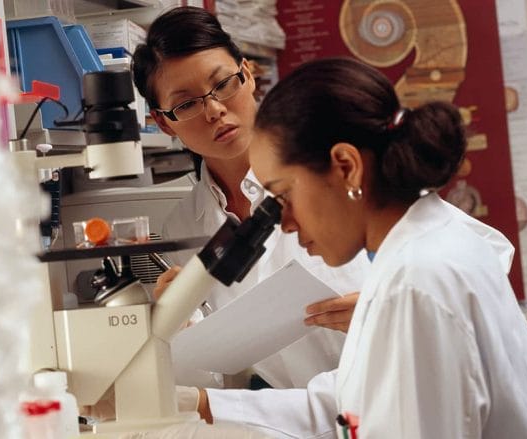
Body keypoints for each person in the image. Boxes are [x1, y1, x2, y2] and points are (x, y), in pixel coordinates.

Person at [191, 57, 527, 438]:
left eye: (284, 195)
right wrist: (202, 404)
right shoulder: (425, 242)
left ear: (346, 166)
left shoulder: (414, 282)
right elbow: (353, 405)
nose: (285, 223)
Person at [131, 6, 369, 389]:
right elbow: (217, 371)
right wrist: (179, 325)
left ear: (248, 74)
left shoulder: (335, 162)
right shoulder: (181, 228)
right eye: (186, 104)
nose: (214, 110)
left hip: (388, 386)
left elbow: (443, 261)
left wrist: (385, 312)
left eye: (224, 84)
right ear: (163, 122)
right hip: (294, 412)